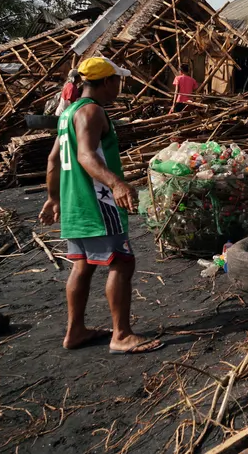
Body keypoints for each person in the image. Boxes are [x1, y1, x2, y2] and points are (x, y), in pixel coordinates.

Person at [40, 57, 164, 355]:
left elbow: (53, 160)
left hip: (74, 204)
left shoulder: (67, 113)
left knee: (82, 264)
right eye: (118, 81)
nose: (119, 87)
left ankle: (76, 331)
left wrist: (54, 197)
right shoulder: (92, 112)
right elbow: (85, 156)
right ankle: (121, 335)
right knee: (122, 262)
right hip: (97, 201)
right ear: (107, 82)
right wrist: (116, 183)